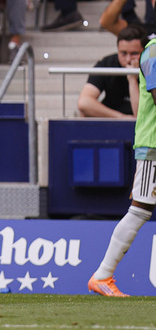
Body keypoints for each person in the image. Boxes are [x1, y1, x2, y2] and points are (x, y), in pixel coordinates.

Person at [87, 19, 156, 296]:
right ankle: (103, 275)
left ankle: (103, 275)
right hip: (153, 146)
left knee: (140, 210)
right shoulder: (153, 51)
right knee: (140, 209)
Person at [77, 25, 145, 119]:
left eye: (134, 53)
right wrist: (121, 117)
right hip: (113, 120)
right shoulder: (107, 63)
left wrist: (132, 80)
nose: (128, 59)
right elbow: (84, 102)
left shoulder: (151, 66)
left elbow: (140, 117)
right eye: (123, 53)